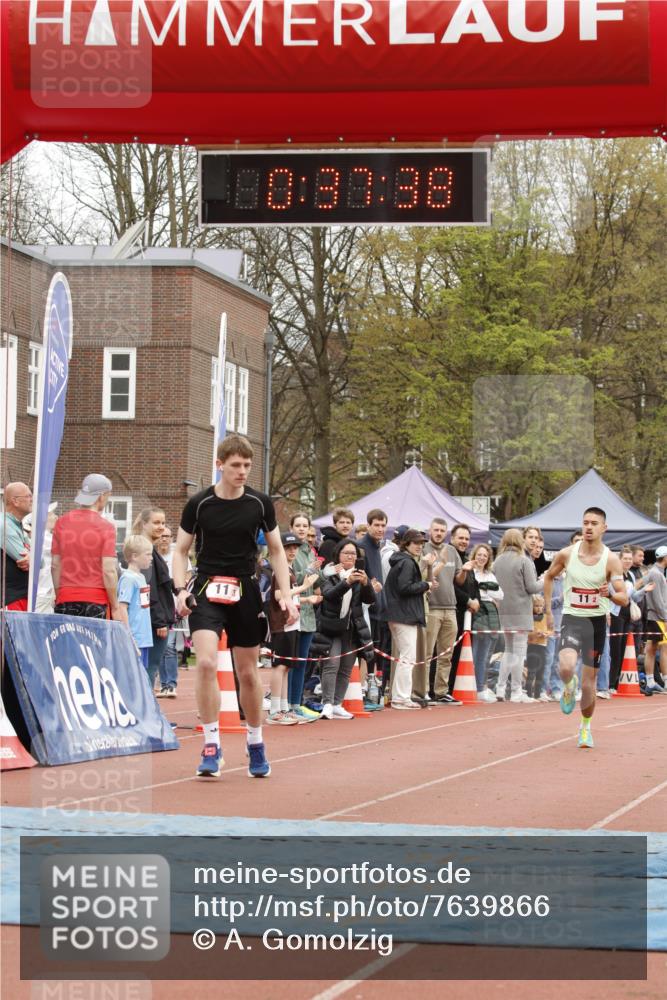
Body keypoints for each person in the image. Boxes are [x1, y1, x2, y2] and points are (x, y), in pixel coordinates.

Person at [173, 433, 298, 779]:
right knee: (207, 663)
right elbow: (180, 551)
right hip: (206, 587)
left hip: (245, 589)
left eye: (247, 465)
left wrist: (284, 592)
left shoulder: (259, 504)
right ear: (220, 465)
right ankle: (211, 744)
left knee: (247, 672)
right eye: (235, 466)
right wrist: (180, 590)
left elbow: (275, 550)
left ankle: (255, 742)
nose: (242, 471)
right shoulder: (199, 504)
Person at [543, 507, 628, 749]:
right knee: (566, 666)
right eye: (585, 522)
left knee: (589, 684)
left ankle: (585, 727)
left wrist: (609, 594)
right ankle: (568, 686)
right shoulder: (566, 554)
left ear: (604, 528)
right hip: (572, 618)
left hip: (596, 623)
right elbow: (549, 577)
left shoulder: (610, 559)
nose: (589, 527)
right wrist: (549, 611)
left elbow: (623, 597)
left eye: (594, 523)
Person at [51, 474, 126, 622]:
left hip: (65, 596)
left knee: (67, 645)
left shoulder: (61, 522)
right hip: (95, 600)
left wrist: (59, 594)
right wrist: (116, 606)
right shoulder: (106, 527)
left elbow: (55, 565)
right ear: (102, 496)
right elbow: (109, 570)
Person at [316, 538, 375, 719]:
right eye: (346, 553)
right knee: (331, 664)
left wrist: (366, 584)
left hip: (352, 627)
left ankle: (337, 703)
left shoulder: (359, 574)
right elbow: (329, 595)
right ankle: (326, 703)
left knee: (346, 667)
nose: (350, 556)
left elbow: (370, 600)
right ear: (338, 554)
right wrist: (347, 582)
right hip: (331, 626)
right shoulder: (329, 572)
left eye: (353, 554)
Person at [419, 519, 471, 705]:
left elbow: (459, 580)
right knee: (427, 653)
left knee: (446, 654)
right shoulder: (423, 549)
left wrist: (464, 571)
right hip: (431, 607)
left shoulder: (452, 551)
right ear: (430, 530)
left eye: (442, 530)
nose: (439, 533)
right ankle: (423, 691)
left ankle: (441, 691)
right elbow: (421, 575)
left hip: (450, 608)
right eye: (436, 530)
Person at [384, 529, 435, 710]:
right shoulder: (406, 563)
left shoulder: (401, 561)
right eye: (416, 543)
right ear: (406, 544)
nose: (420, 547)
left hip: (399, 614)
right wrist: (426, 585)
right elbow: (405, 587)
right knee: (408, 657)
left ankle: (400, 696)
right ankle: (401, 698)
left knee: (405, 657)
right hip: (404, 615)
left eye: (422, 544)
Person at [492, 528, 543, 703]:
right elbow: (532, 587)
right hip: (520, 611)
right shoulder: (523, 560)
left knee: (508, 651)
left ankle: (500, 688)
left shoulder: (497, 561)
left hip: (504, 610)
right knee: (519, 652)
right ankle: (516, 690)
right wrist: (546, 579)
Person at [134, 508, 176, 696]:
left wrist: (181, 591)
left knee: (149, 667)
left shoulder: (151, 549)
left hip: (154, 617)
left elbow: (162, 582)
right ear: (144, 524)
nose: (161, 527)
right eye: (157, 523)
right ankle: (147, 712)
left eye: (163, 523)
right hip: (152, 620)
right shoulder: (146, 550)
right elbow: (148, 586)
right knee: (150, 667)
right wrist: (159, 620)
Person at [288, 512, 323, 719]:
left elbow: (313, 580)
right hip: (294, 611)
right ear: (291, 528)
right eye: (298, 525)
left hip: (309, 613)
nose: (302, 529)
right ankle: (288, 704)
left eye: (305, 526)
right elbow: (291, 578)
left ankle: (297, 702)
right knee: (290, 662)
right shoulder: (289, 550)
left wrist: (324, 575)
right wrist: (309, 571)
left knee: (303, 661)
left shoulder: (310, 550)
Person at [355, 509, 389, 690]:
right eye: (376, 525)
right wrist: (370, 588)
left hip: (378, 609)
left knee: (374, 652)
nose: (380, 529)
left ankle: (369, 688)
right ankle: (360, 689)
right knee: (364, 651)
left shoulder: (378, 548)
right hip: (365, 610)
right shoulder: (361, 547)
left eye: (383, 525)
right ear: (368, 525)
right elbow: (359, 578)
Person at [469, 543, 503, 702]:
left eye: (485, 555)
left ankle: (481, 687)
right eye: (479, 554)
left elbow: (500, 595)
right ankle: (471, 687)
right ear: (474, 555)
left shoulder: (490, 574)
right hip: (474, 613)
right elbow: (471, 590)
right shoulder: (470, 572)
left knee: (485, 654)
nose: (482, 557)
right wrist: (487, 590)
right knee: (473, 653)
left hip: (490, 616)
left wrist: (484, 588)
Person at [117, 534, 154, 675]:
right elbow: (122, 608)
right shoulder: (128, 579)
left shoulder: (142, 577)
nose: (151, 558)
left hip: (144, 638)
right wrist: (129, 636)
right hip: (134, 638)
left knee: (142, 675)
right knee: (132, 676)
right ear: (134, 556)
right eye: (148, 554)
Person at [449, 523, 478, 694]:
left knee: (462, 653)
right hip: (454, 611)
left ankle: (455, 688)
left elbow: (473, 584)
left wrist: (477, 600)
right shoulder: (448, 557)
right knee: (450, 654)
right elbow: (451, 585)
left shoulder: (467, 559)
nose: (464, 541)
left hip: (468, 616)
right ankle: (446, 688)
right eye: (461, 538)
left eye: (467, 538)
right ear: (452, 538)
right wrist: (468, 600)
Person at [0, 483, 32, 611]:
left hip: (19, 596)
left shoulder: (18, 525)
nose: (32, 499)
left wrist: (32, 557)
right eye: (28, 496)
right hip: (10, 598)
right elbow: (22, 557)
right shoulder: (4, 525)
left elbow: (39, 561)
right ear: (15, 501)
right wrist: (32, 557)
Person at [23, 502, 58, 613]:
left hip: (44, 592)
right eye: (52, 514)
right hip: (42, 593)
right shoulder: (43, 537)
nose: (56, 517)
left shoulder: (41, 536)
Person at [641, 545, 667, 693]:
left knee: (652, 649)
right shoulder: (656, 573)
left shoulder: (657, 573)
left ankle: (651, 681)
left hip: (656, 616)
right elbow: (658, 600)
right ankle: (662, 681)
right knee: (660, 649)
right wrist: (665, 617)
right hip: (657, 617)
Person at [526, 595, 548, 701]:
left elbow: (550, 630)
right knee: (532, 671)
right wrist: (535, 633)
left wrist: (546, 634)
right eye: (536, 606)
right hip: (532, 646)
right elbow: (527, 632)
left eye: (540, 606)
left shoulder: (546, 617)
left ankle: (538, 694)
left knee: (541, 671)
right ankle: (528, 694)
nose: (539, 608)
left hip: (542, 646)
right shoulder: (529, 618)